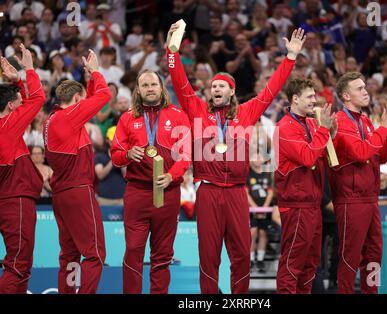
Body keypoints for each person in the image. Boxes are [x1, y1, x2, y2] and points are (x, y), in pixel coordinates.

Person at [166, 23, 306, 294]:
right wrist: (172, 51)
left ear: (231, 91)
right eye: (212, 86)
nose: (215, 89)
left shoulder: (246, 112)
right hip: (207, 190)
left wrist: (290, 58)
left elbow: (270, 90)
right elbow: (179, 82)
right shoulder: (196, 110)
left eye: (221, 86)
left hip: (237, 193)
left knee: (241, 253)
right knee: (209, 255)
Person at [110, 70, 191, 294]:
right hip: (138, 193)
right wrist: (127, 154)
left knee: (163, 255)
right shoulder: (127, 117)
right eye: (145, 85)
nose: (150, 88)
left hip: (168, 192)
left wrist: (172, 176)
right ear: (138, 89)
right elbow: (115, 154)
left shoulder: (178, 115)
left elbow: (185, 154)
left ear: (161, 87)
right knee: (133, 251)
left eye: (153, 84)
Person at [43, 49, 112, 294]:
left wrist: (89, 79)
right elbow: (104, 96)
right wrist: (97, 73)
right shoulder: (69, 118)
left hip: (62, 195)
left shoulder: (54, 118)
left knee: (70, 254)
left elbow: (90, 102)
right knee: (95, 254)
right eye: (82, 101)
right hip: (79, 192)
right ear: (75, 102)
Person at [330, 72, 387, 294]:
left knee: (374, 255)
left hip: (370, 198)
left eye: (365, 87)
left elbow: (381, 156)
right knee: (350, 257)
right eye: (359, 89)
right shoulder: (339, 122)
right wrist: (383, 127)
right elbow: (361, 153)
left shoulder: (365, 120)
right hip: (350, 199)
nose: (365, 92)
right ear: (346, 95)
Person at [274, 79, 336, 294]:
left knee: (310, 265)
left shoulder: (310, 123)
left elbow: (325, 155)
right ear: (295, 99)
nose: (314, 100)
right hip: (296, 204)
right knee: (292, 264)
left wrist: (331, 132)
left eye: (314, 96)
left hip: (313, 203)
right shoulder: (284, 127)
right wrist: (324, 131)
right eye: (310, 96)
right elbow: (308, 157)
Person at [0, 45, 45, 293]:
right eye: (18, 102)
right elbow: (37, 98)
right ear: (9, 107)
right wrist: (27, 69)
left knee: (19, 266)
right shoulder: (8, 125)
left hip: (7, 198)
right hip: (15, 200)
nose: (22, 103)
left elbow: (28, 100)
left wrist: (17, 82)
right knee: (18, 265)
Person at [246, 154, 273, 274]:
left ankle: (260, 260)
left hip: (266, 209)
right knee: (253, 232)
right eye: (254, 157)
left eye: (259, 156)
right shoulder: (248, 174)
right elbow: (246, 193)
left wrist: (265, 207)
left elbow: (271, 192)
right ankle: (251, 260)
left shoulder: (267, 173)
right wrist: (256, 208)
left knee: (263, 233)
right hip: (252, 209)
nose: (257, 159)